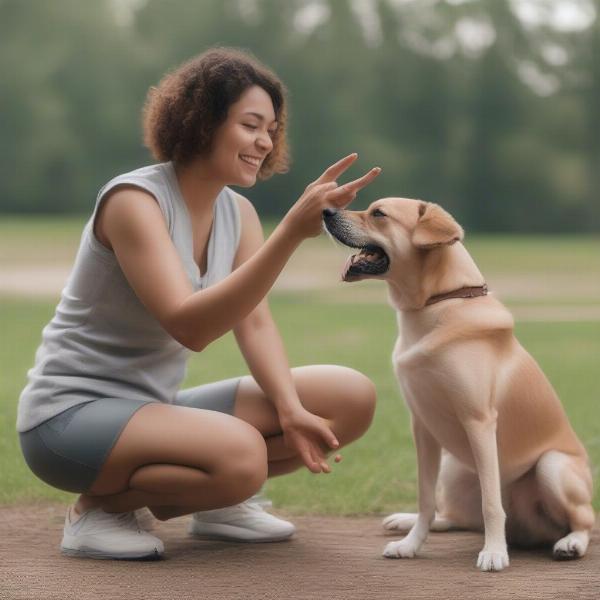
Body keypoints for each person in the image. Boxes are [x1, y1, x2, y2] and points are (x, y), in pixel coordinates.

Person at [16, 47, 380, 560]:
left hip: (153, 410)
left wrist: (291, 409)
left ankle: (218, 503)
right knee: (241, 455)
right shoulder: (133, 202)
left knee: (349, 396)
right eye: (250, 124)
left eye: (271, 128)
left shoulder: (239, 214)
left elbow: (253, 324)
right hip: (70, 419)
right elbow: (189, 325)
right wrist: (291, 235)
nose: (264, 141)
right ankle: (97, 508)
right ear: (203, 121)